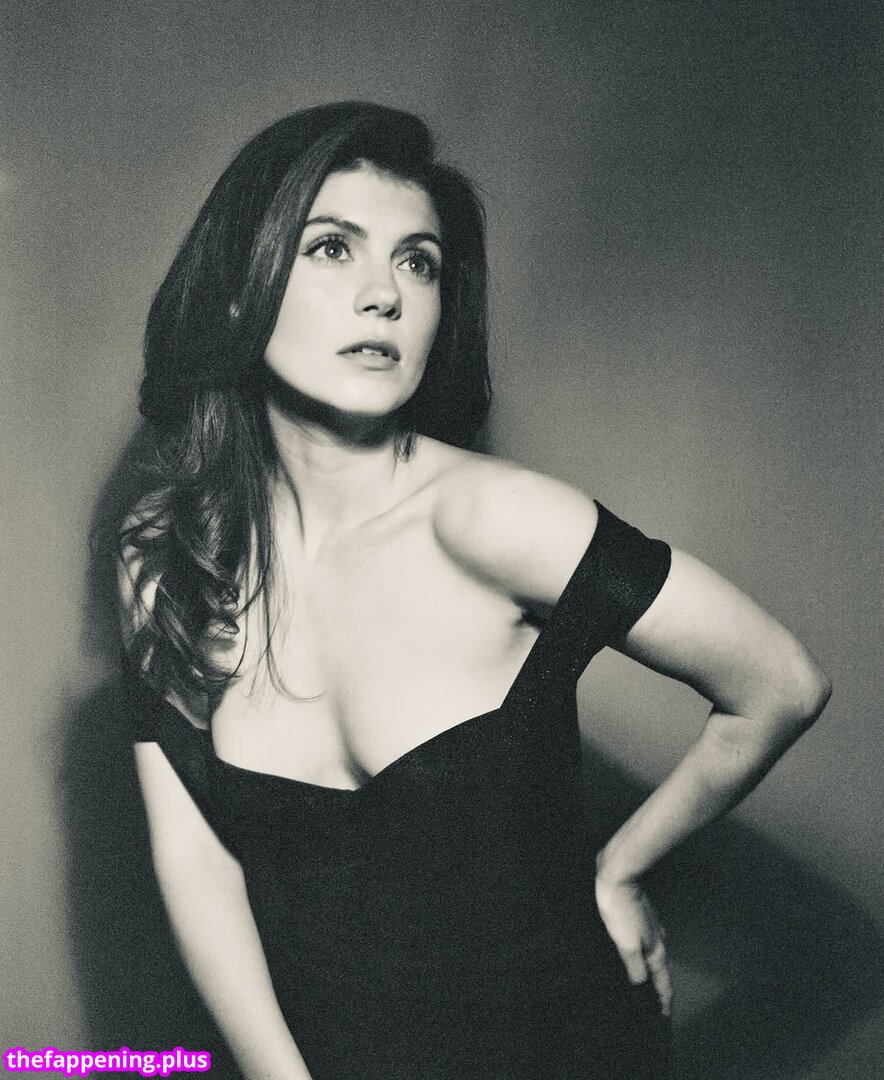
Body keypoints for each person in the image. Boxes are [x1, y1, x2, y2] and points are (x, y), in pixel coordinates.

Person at [117, 101, 831, 1080]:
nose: (385, 295)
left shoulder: (495, 520)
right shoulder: (166, 554)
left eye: (418, 263)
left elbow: (780, 682)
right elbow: (196, 858)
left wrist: (620, 868)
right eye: (332, 248)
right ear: (238, 293)